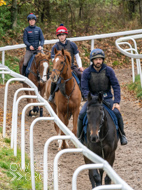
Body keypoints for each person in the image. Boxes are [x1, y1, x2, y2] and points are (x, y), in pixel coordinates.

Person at [77, 48, 127, 145]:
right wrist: (90, 98)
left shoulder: (109, 70)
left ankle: (122, 135)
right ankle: (79, 137)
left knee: (116, 113)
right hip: (92, 100)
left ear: (102, 60)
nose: (98, 61)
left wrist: (116, 101)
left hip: (106, 98)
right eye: (96, 59)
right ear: (92, 60)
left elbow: (116, 86)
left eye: (100, 59)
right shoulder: (86, 72)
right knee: (82, 114)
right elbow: (84, 88)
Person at [48, 24, 84, 102]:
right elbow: (53, 59)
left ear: (66, 35)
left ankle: (83, 93)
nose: (61, 37)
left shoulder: (72, 44)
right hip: (60, 68)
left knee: (80, 75)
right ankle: (52, 94)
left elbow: (77, 56)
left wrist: (80, 66)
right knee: (54, 79)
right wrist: (57, 66)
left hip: (71, 67)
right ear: (58, 36)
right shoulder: (55, 47)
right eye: (60, 35)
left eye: (63, 35)